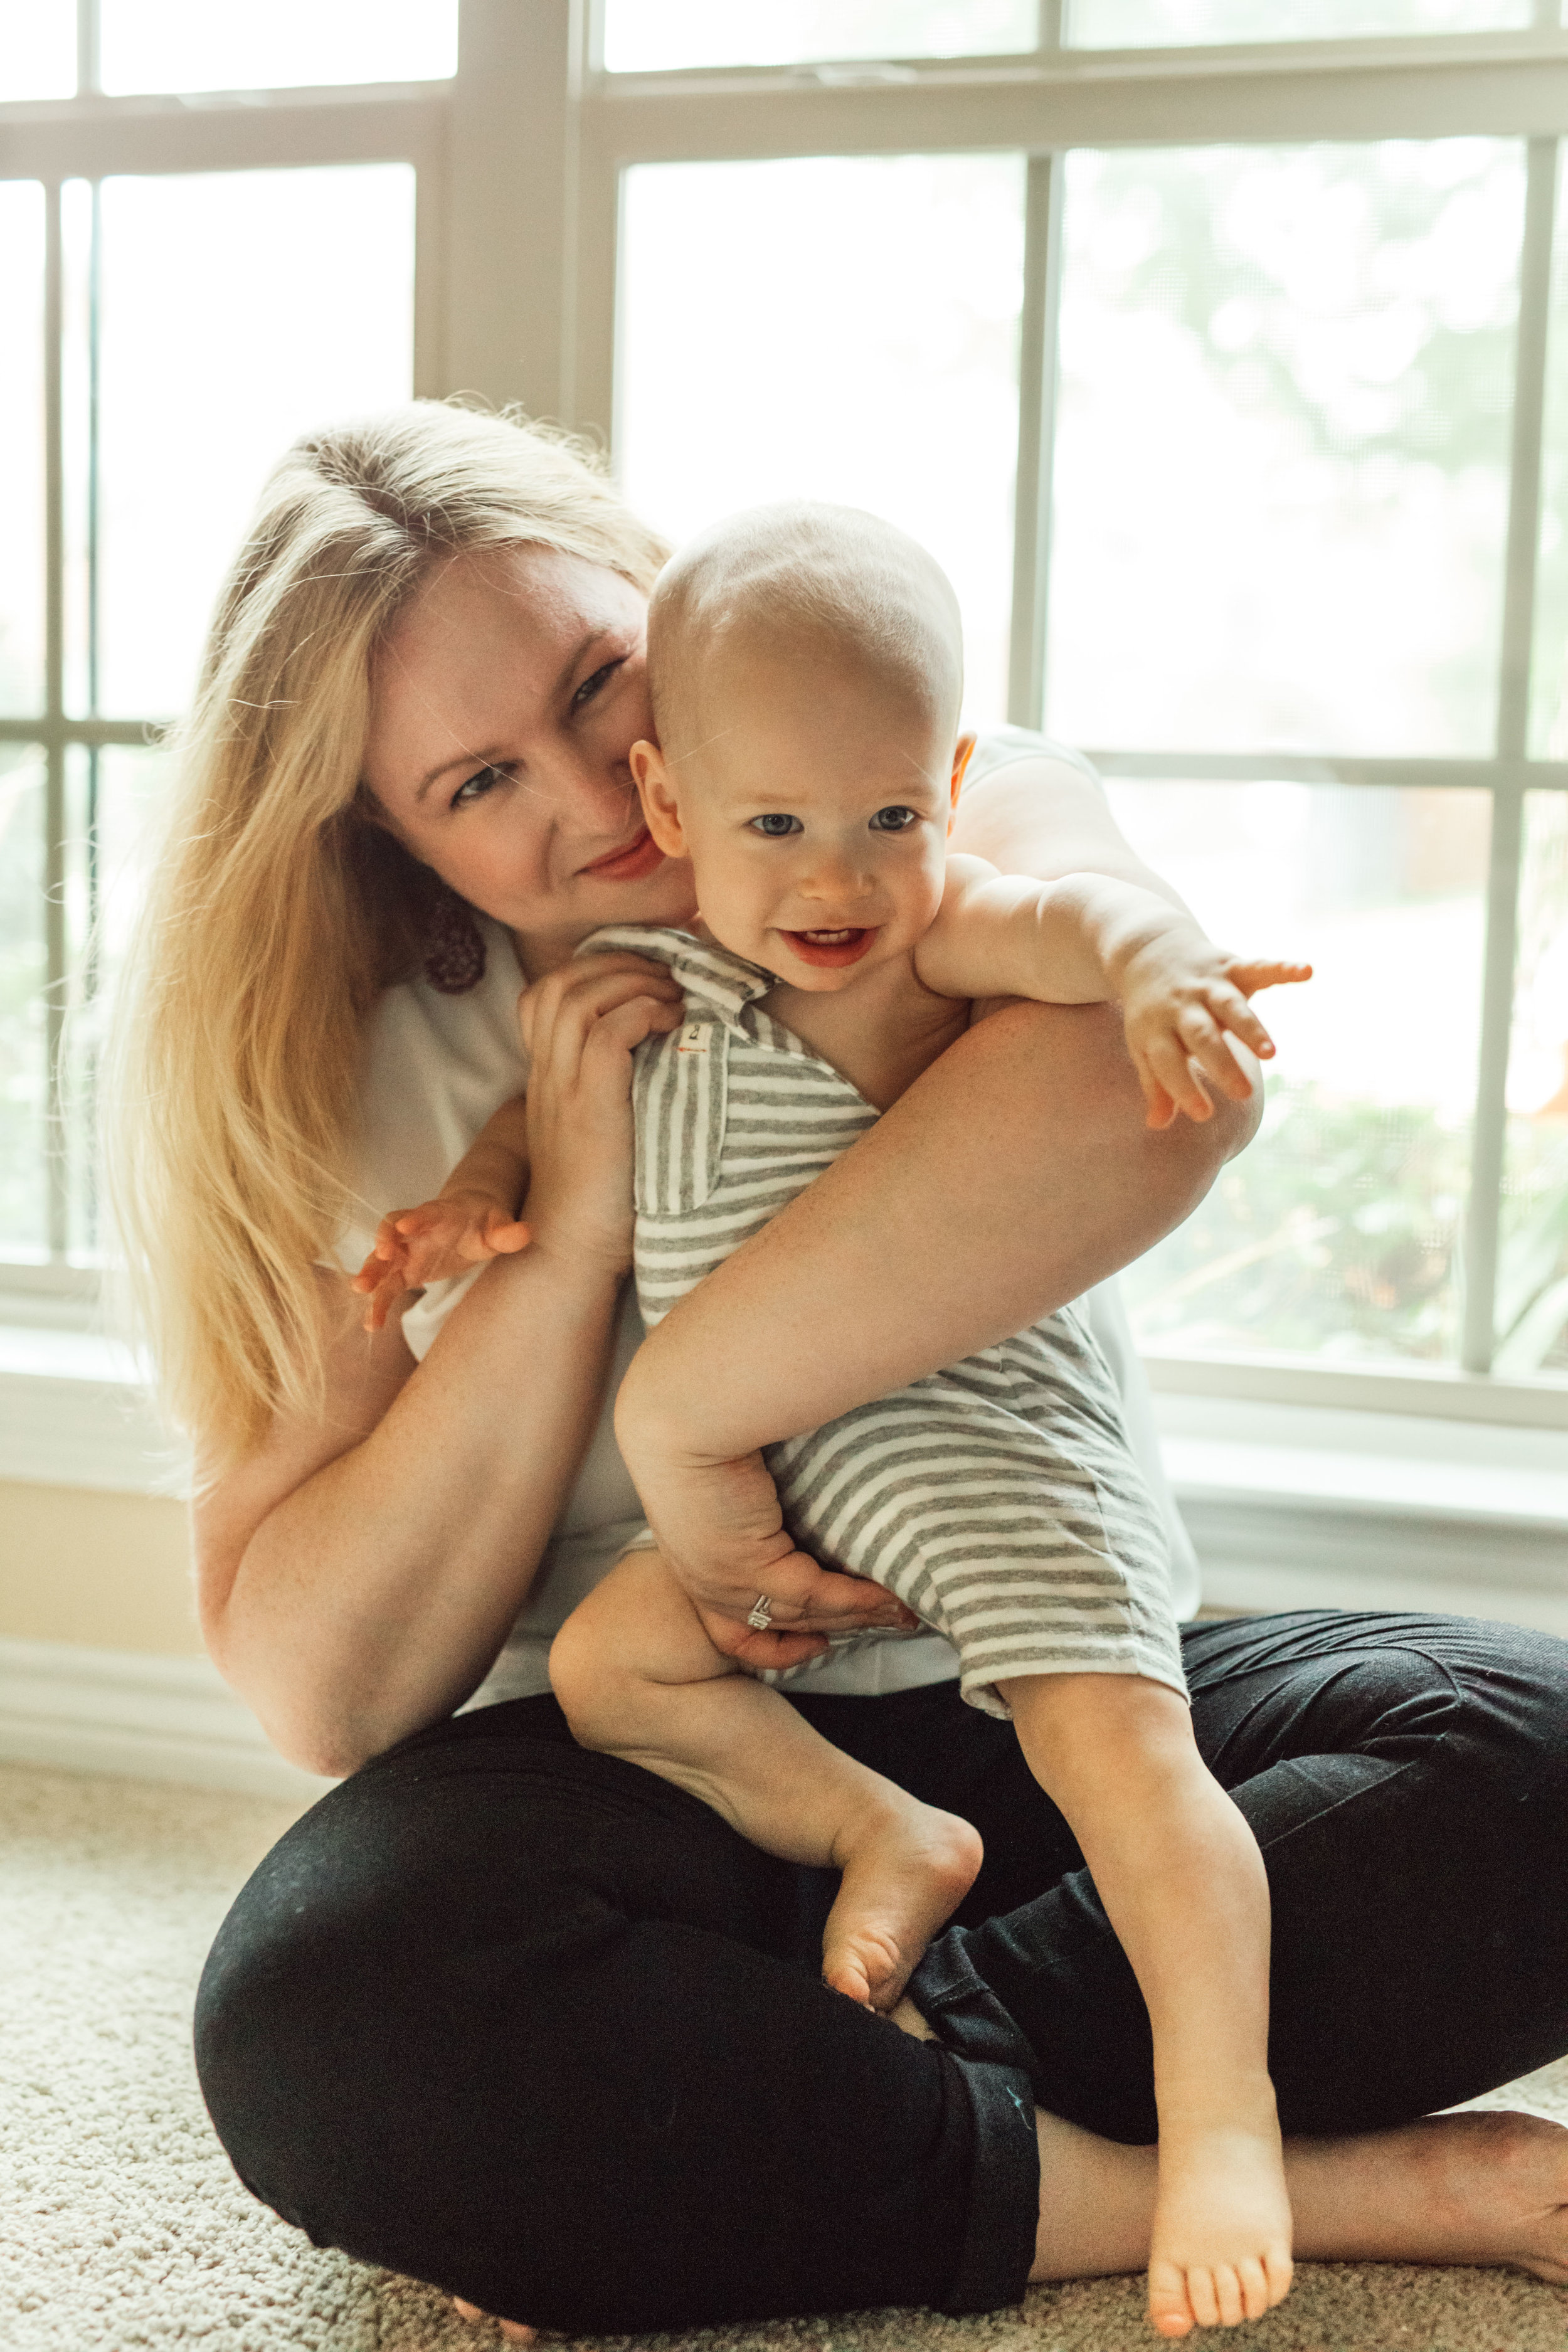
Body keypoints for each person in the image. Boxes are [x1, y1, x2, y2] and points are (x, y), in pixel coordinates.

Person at [109, 403, 1568, 2345]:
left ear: (666, 612)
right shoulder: (358, 1065)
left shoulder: (912, 814)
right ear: (388, 835)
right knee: (324, 2011)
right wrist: (579, 1232)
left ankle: (780, 2122)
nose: (590, 792)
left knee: (1540, 1754)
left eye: (595, 682)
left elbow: (1161, 1102)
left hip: (1031, 1666)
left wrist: (682, 1404)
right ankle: (1269, 2182)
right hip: (651, 1755)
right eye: (478, 781)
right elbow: (327, 1680)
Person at [359, 501, 1312, 2334]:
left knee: (1127, 1761)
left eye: (887, 815)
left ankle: (1222, 2118)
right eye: (777, 828)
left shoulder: (934, 940)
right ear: (677, 799)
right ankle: (888, 1836)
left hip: (981, 1467)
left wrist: (1147, 966)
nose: (835, 879)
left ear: (945, 780)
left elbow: (1071, 915)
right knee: (616, 1670)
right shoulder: (625, 989)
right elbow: (527, 1163)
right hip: (789, 1525)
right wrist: (467, 1212)